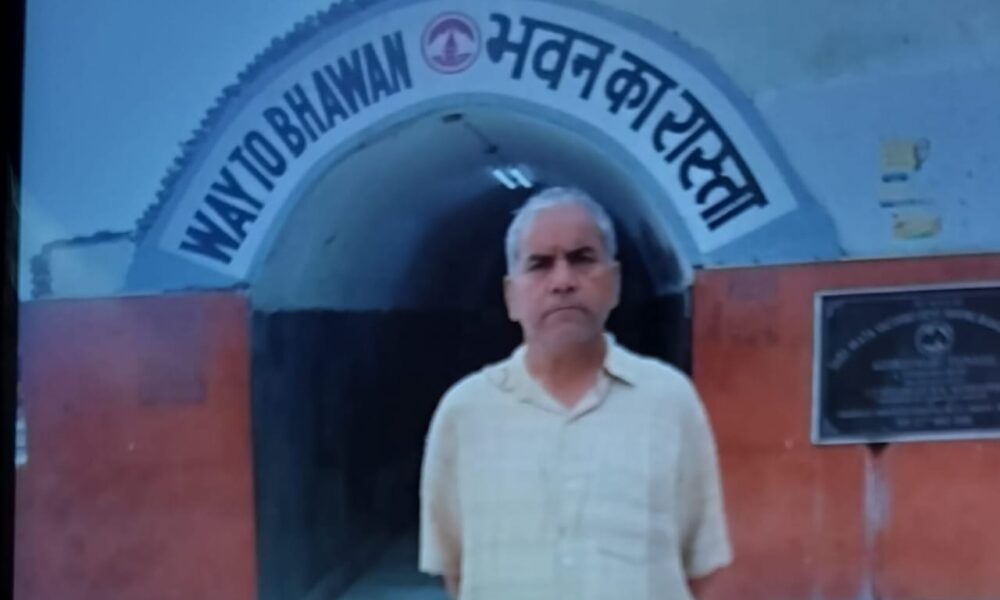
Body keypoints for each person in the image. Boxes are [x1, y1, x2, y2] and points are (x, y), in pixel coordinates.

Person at [419, 186, 731, 600]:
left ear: (614, 282)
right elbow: (455, 570)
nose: (563, 281)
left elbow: (699, 568)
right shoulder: (464, 413)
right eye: (540, 264)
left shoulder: (670, 403)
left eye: (582, 258)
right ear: (512, 296)